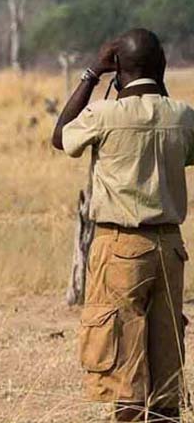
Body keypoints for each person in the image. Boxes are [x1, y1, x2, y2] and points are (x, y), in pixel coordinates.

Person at [52, 29, 194, 422]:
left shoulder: (104, 115)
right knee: (167, 364)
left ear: (117, 68)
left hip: (120, 248)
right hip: (170, 247)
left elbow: (61, 137)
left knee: (123, 368)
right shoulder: (182, 116)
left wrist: (91, 74)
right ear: (160, 67)